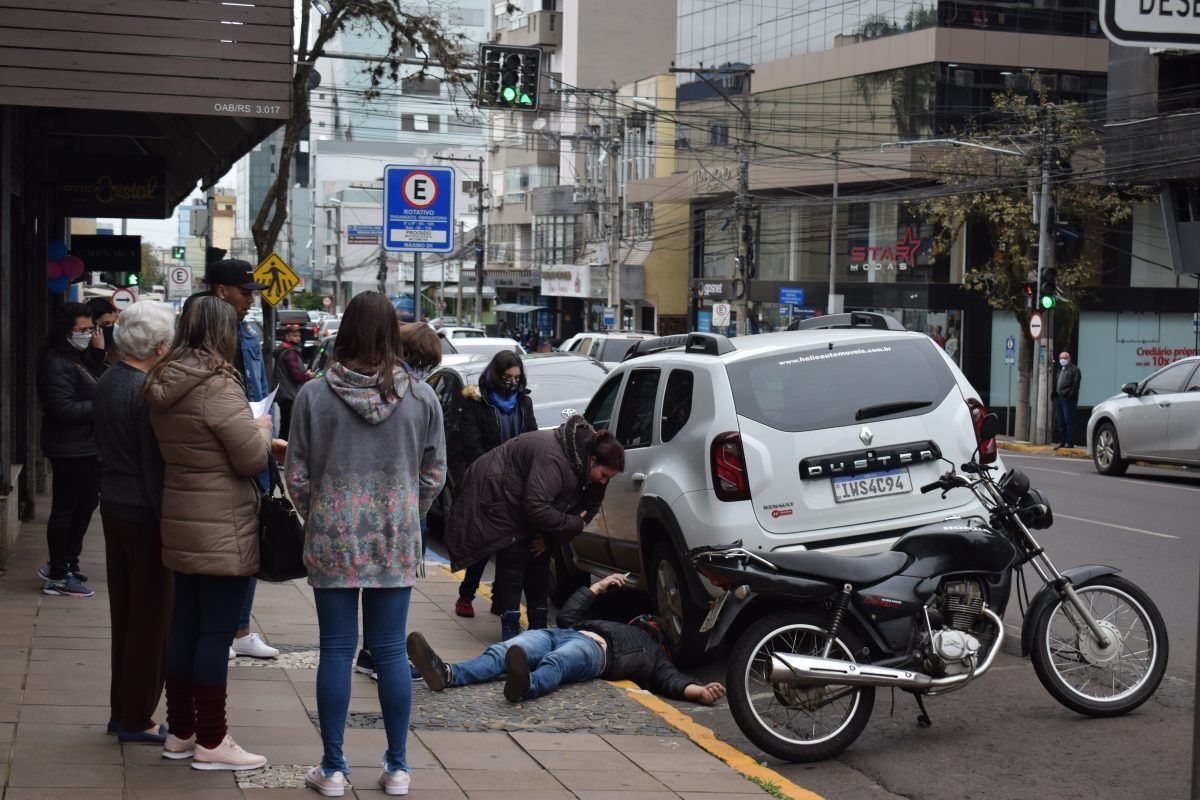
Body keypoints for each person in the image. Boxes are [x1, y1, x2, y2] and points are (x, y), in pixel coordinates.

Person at [284, 291, 446, 797]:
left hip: (333, 534)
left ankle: (333, 769)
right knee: (391, 652)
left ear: (345, 331)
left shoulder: (313, 394)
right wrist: (407, 513)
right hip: (394, 538)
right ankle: (397, 767)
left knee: (335, 650)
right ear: (392, 334)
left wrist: (321, 515)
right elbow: (435, 474)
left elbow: (296, 473)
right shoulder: (421, 397)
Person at [145, 296, 274, 770]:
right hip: (222, 524)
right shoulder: (217, 385)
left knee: (184, 628)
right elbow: (250, 458)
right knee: (215, 633)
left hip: (181, 517)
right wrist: (261, 426)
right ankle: (214, 741)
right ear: (220, 333)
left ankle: (180, 731)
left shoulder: (164, 378)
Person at [407, 573, 726, 705]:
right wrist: (599, 586)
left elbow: (671, 681)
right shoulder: (609, 621)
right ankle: (446, 673)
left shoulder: (655, 653)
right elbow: (568, 616)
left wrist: (699, 691)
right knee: (504, 650)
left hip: (595, 651)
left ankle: (525, 685)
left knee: (556, 663)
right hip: (563, 633)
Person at [445, 415, 624, 641]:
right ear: (593, 460)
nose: (604, 482)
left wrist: (551, 540)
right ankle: (510, 631)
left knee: (540, 558)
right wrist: (573, 523)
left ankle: (537, 629)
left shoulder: (589, 469)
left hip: (527, 502)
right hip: (498, 494)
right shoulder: (554, 458)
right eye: (604, 475)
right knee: (515, 553)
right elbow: (537, 507)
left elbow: (589, 508)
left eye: (610, 478)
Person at [94, 300, 175, 744]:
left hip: (114, 506)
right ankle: (137, 716)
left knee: (125, 614)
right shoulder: (144, 390)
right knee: (151, 618)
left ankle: (122, 708)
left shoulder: (108, 380)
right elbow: (153, 465)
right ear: (158, 346)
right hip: (144, 513)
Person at [190, 259, 279, 660]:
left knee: (250, 540)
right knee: (212, 545)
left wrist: (264, 434)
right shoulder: (194, 330)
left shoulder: (247, 332)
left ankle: (240, 630)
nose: (252, 299)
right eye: (246, 291)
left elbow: (257, 395)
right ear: (221, 291)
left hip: (250, 446)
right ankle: (215, 629)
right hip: (213, 455)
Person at [355, 322, 446, 680]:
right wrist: (415, 507)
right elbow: (434, 470)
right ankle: (383, 656)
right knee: (392, 589)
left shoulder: (359, 387)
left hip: (358, 509)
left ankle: (369, 652)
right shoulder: (422, 397)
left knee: (365, 582)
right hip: (403, 507)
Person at [450, 351, 537, 619]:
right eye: (507, 377)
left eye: (516, 377)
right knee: (485, 540)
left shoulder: (524, 402)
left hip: (517, 482)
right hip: (487, 480)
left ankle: (501, 598)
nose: (512, 382)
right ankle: (466, 595)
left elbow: (531, 436)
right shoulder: (477, 402)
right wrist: (494, 473)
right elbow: (471, 444)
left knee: (510, 542)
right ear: (495, 375)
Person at [35, 301, 101, 597]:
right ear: (65, 330)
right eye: (83, 330)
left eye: (91, 329)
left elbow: (93, 384)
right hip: (68, 447)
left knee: (86, 503)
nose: (88, 334)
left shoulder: (77, 357)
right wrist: (101, 406)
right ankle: (58, 574)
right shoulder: (55, 362)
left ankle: (68, 563)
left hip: (85, 446)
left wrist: (98, 352)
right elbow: (64, 410)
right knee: (65, 509)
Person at [272, 324, 314, 439]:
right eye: (294, 335)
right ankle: (284, 451)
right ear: (287, 336)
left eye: (299, 336)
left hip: (284, 393)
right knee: (289, 426)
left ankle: (282, 450)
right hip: (289, 395)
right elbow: (297, 376)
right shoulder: (290, 353)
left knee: (285, 424)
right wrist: (308, 375)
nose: (298, 338)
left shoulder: (283, 350)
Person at [83, 297, 119, 377]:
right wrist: (98, 351)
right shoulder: (81, 347)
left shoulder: (114, 347)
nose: (110, 327)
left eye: (112, 323)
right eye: (105, 323)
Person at [1053, 351, 1082, 450]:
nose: (1062, 360)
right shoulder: (1060, 369)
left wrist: (1069, 395)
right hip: (1059, 399)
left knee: (1069, 421)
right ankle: (1062, 441)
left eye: (1064, 358)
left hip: (1068, 399)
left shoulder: (1074, 370)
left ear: (1069, 359)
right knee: (1061, 422)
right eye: (1060, 358)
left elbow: (1075, 385)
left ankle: (1070, 442)